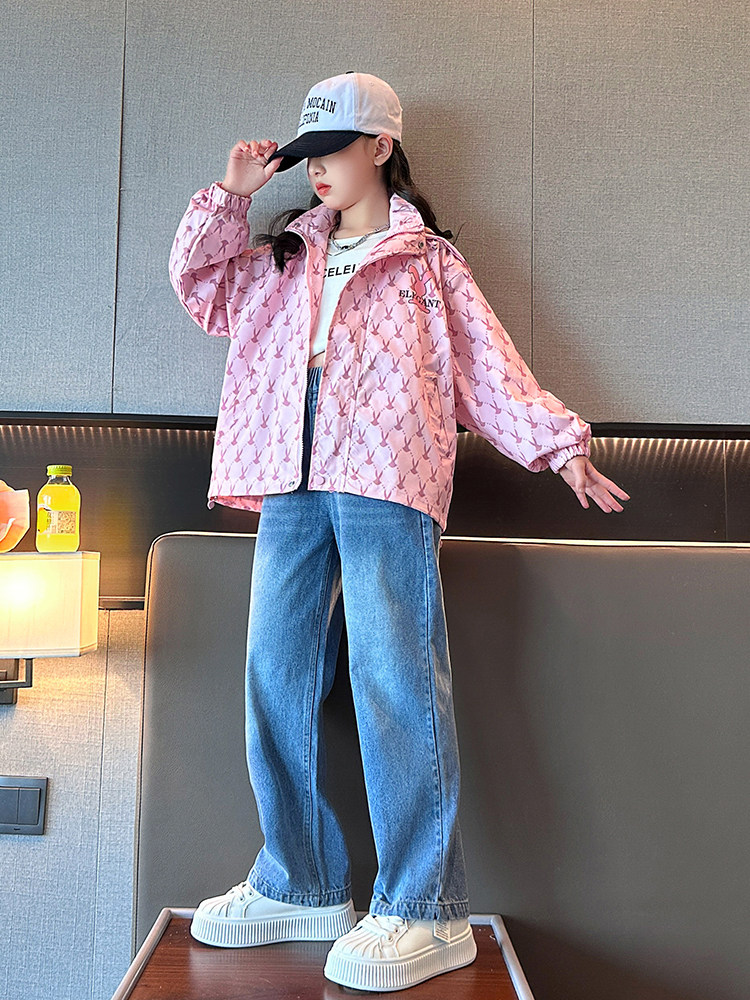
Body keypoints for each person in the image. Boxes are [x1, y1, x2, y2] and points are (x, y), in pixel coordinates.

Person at [168, 71, 631, 993]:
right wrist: (231, 195)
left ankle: (425, 907)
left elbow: (489, 369)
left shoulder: (430, 264)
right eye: (304, 156)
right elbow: (200, 290)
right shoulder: (282, 254)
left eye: (332, 151)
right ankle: (299, 881)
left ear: (380, 146)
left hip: (386, 467)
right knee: (275, 676)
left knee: (395, 682)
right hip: (288, 466)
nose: (315, 171)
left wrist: (560, 447)